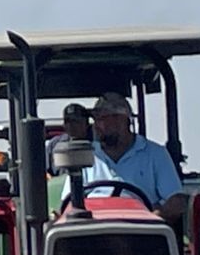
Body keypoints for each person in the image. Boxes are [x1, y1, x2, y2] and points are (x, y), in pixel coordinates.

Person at [68, 93, 185, 222]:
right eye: (96, 120)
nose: (96, 126)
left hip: (140, 228)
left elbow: (176, 200)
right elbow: (68, 201)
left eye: (102, 119)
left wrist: (153, 217)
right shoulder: (85, 154)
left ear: (121, 120)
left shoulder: (155, 153)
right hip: (93, 229)